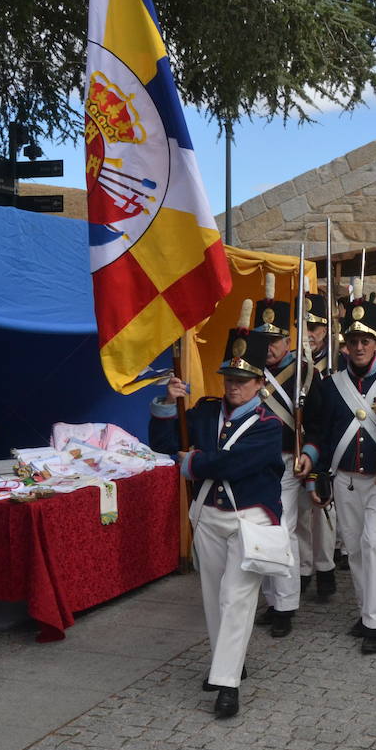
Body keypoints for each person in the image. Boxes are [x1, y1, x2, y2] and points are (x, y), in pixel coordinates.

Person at [149, 302, 284, 720]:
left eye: (243, 380)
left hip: (250, 518)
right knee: (213, 597)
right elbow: (165, 444)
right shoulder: (206, 410)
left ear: (259, 382)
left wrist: (192, 462)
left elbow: (232, 462)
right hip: (210, 513)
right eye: (229, 378)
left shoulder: (268, 424)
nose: (233, 387)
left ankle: (226, 684)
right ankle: (231, 660)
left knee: (237, 597)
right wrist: (167, 404)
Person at [301, 295, 376, 655]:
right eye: (353, 341)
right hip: (345, 478)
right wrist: (316, 469)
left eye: (365, 341)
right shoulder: (331, 387)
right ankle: (367, 612)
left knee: (374, 544)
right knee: (355, 548)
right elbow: (320, 433)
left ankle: (375, 624)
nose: (359, 347)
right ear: (345, 346)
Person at [248, 275, 315, 638]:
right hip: (255, 462)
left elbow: (317, 422)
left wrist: (310, 452)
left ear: (287, 340)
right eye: (263, 339)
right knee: (262, 529)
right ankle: (273, 600)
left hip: (288, 460)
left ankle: (286, 605)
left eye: (275, 339)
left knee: (283, 530)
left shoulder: (304, 373)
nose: (269, 346)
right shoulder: (248, 372)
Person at [297, 291, 338, 602]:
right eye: (303, 326)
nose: (309, 333)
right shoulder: (291, 365)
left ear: (326, 330)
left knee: (324, 514)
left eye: (315, 327)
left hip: (330, 446)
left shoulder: (338, 363)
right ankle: (301, 570)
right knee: (298, 516)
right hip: (298, 445)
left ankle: (325, 569)